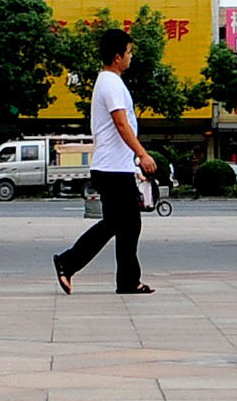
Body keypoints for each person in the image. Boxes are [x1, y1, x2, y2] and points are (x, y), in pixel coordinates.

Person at [52, 27, 158, 294]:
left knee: (128, 224)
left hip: (115, 167)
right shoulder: (110, 83)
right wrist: (142, 155)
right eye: (129, 52)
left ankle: (127, 281)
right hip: (111, 169)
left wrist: (133, 166)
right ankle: (67, 262)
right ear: (117, 56)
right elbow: (121, 125)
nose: (131, 57)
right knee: (119, 223)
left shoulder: (111, 82)